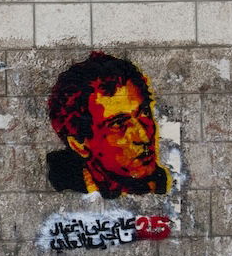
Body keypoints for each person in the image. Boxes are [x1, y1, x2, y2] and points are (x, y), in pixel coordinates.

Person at [46, 51, 169, 198]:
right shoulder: (64, 195)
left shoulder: (166, 186)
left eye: (145, 113)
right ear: (79, 145)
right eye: (119, 124)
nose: (143, 136)